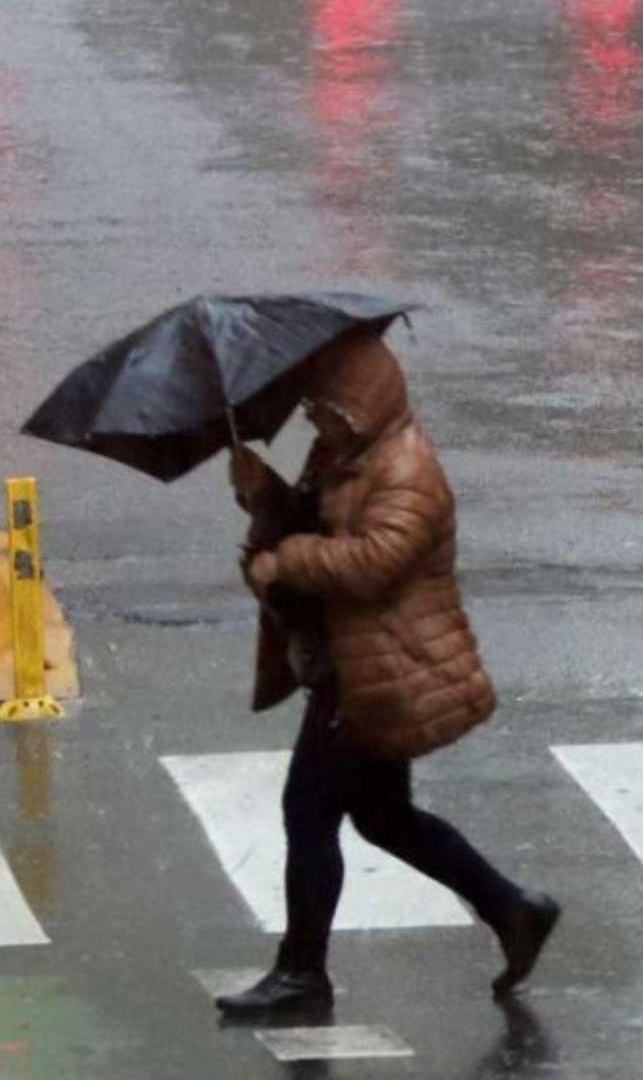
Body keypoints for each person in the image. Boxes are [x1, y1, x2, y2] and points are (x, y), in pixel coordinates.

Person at [216, 328, 560, 1016]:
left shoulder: (406, 470)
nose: (312, 419)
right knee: (382, 816)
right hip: (352, 663)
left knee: (308, 810)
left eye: (324, 408)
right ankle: (512, 908)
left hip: (379, 670)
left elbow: (374, 561)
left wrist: (287, 563)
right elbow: (317, 526)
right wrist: (266, 498)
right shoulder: (346, 454)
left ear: (358, 404)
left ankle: (302, 971)